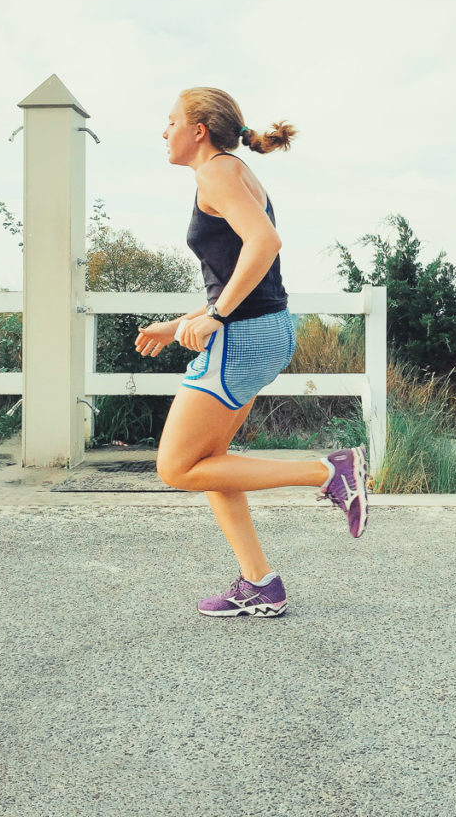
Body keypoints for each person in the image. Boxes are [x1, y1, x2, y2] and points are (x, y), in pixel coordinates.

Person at [134, 87, 369, 618]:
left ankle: (328, 473)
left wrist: (215, 318)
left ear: (198, 129)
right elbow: (237, 272)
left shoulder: (216, 171)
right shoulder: (232, 172)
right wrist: (182, 324)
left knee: (176, 467)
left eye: (170, 121)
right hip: (261, 330)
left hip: (241, 337)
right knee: (209, 463)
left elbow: (265, 243)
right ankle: (260, 582)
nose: (164, 131)